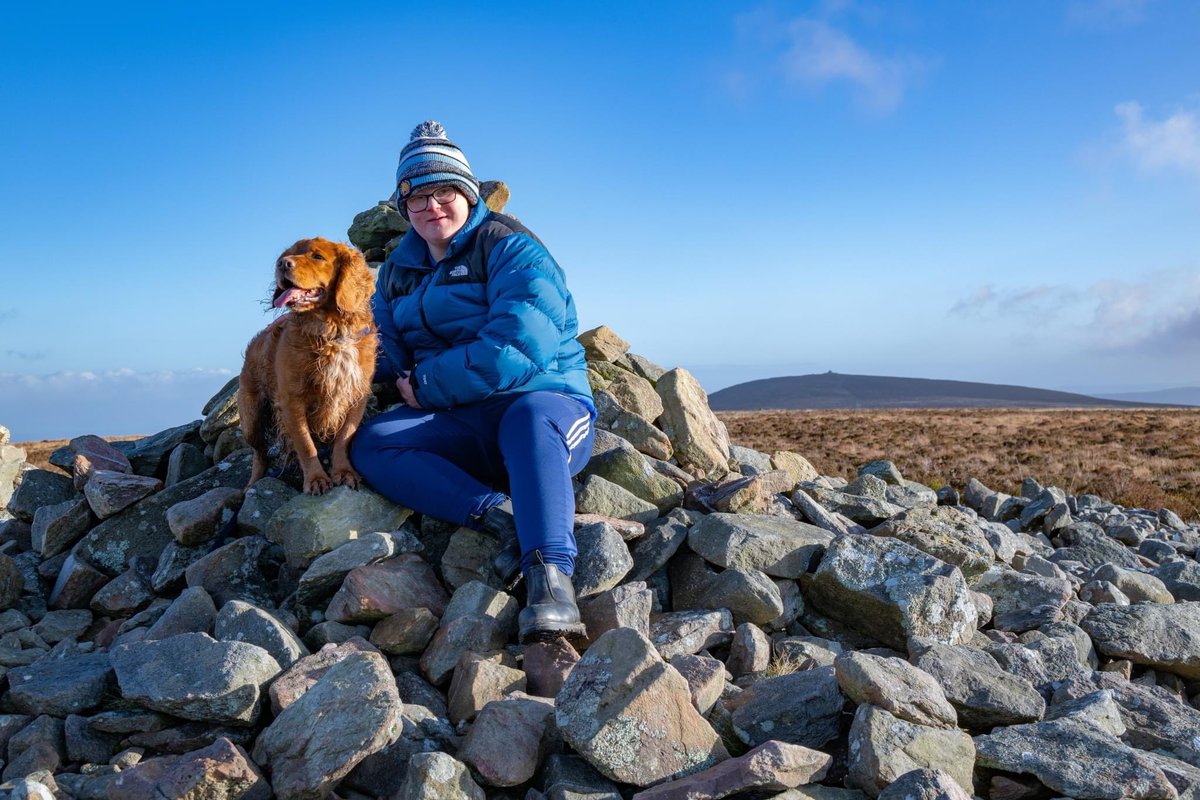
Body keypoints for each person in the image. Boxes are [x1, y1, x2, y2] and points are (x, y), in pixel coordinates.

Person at [350, 121, 595, 643]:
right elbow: (382, 338)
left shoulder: (510, 247)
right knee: (373, 444)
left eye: (445, 192)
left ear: (467, 192)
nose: (432, 206)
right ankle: (501, 518)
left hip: (544, 408)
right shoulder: (397, 269)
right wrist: (391, 375)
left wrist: (427, 385)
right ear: (403, 206)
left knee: (528, 419)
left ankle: (550, 578)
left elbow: (519, 346)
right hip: (462, 419)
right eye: (417, 197)